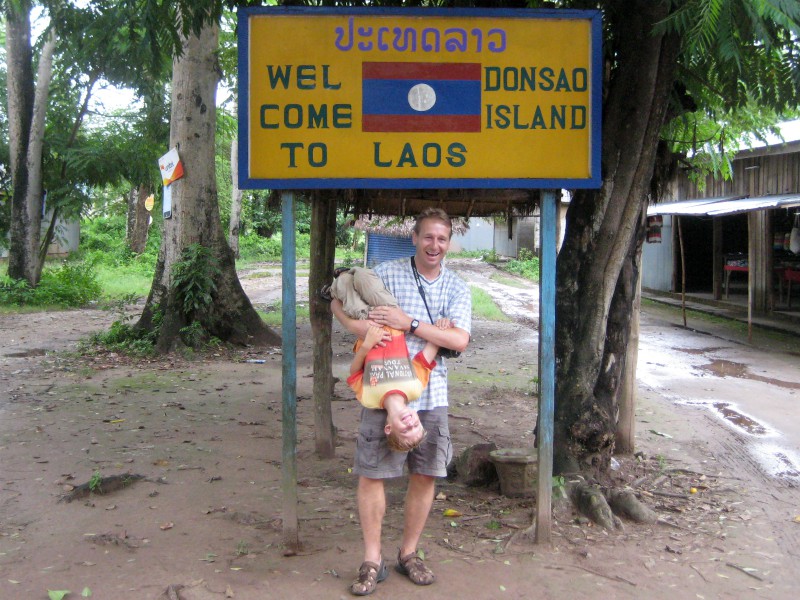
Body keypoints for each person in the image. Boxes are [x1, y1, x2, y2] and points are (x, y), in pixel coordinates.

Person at [331, 208, 471, 596]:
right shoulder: (389, 272)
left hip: (432, 393)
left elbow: (459, 341)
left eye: (442, 239)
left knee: (426, 473)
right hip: (382, 395)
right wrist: (367, 331)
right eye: (428, 237)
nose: (434, 245)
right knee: (373, 472)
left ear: (449, 243)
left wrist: (407, 322)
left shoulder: (457, 287)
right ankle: (372, 559)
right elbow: (337, 307)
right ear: (414, 237)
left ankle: (408, 553)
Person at [348, 320, 451, 452]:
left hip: (367, 322)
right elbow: (427, 356)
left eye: (406, 430)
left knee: (342, 301)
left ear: (388, 428)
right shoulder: (414, 389)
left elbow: (354, 374)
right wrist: (442, 327)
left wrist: (367, 345)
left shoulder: (369, 399)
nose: (410, 423)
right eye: (416, 425)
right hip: (391, 320)